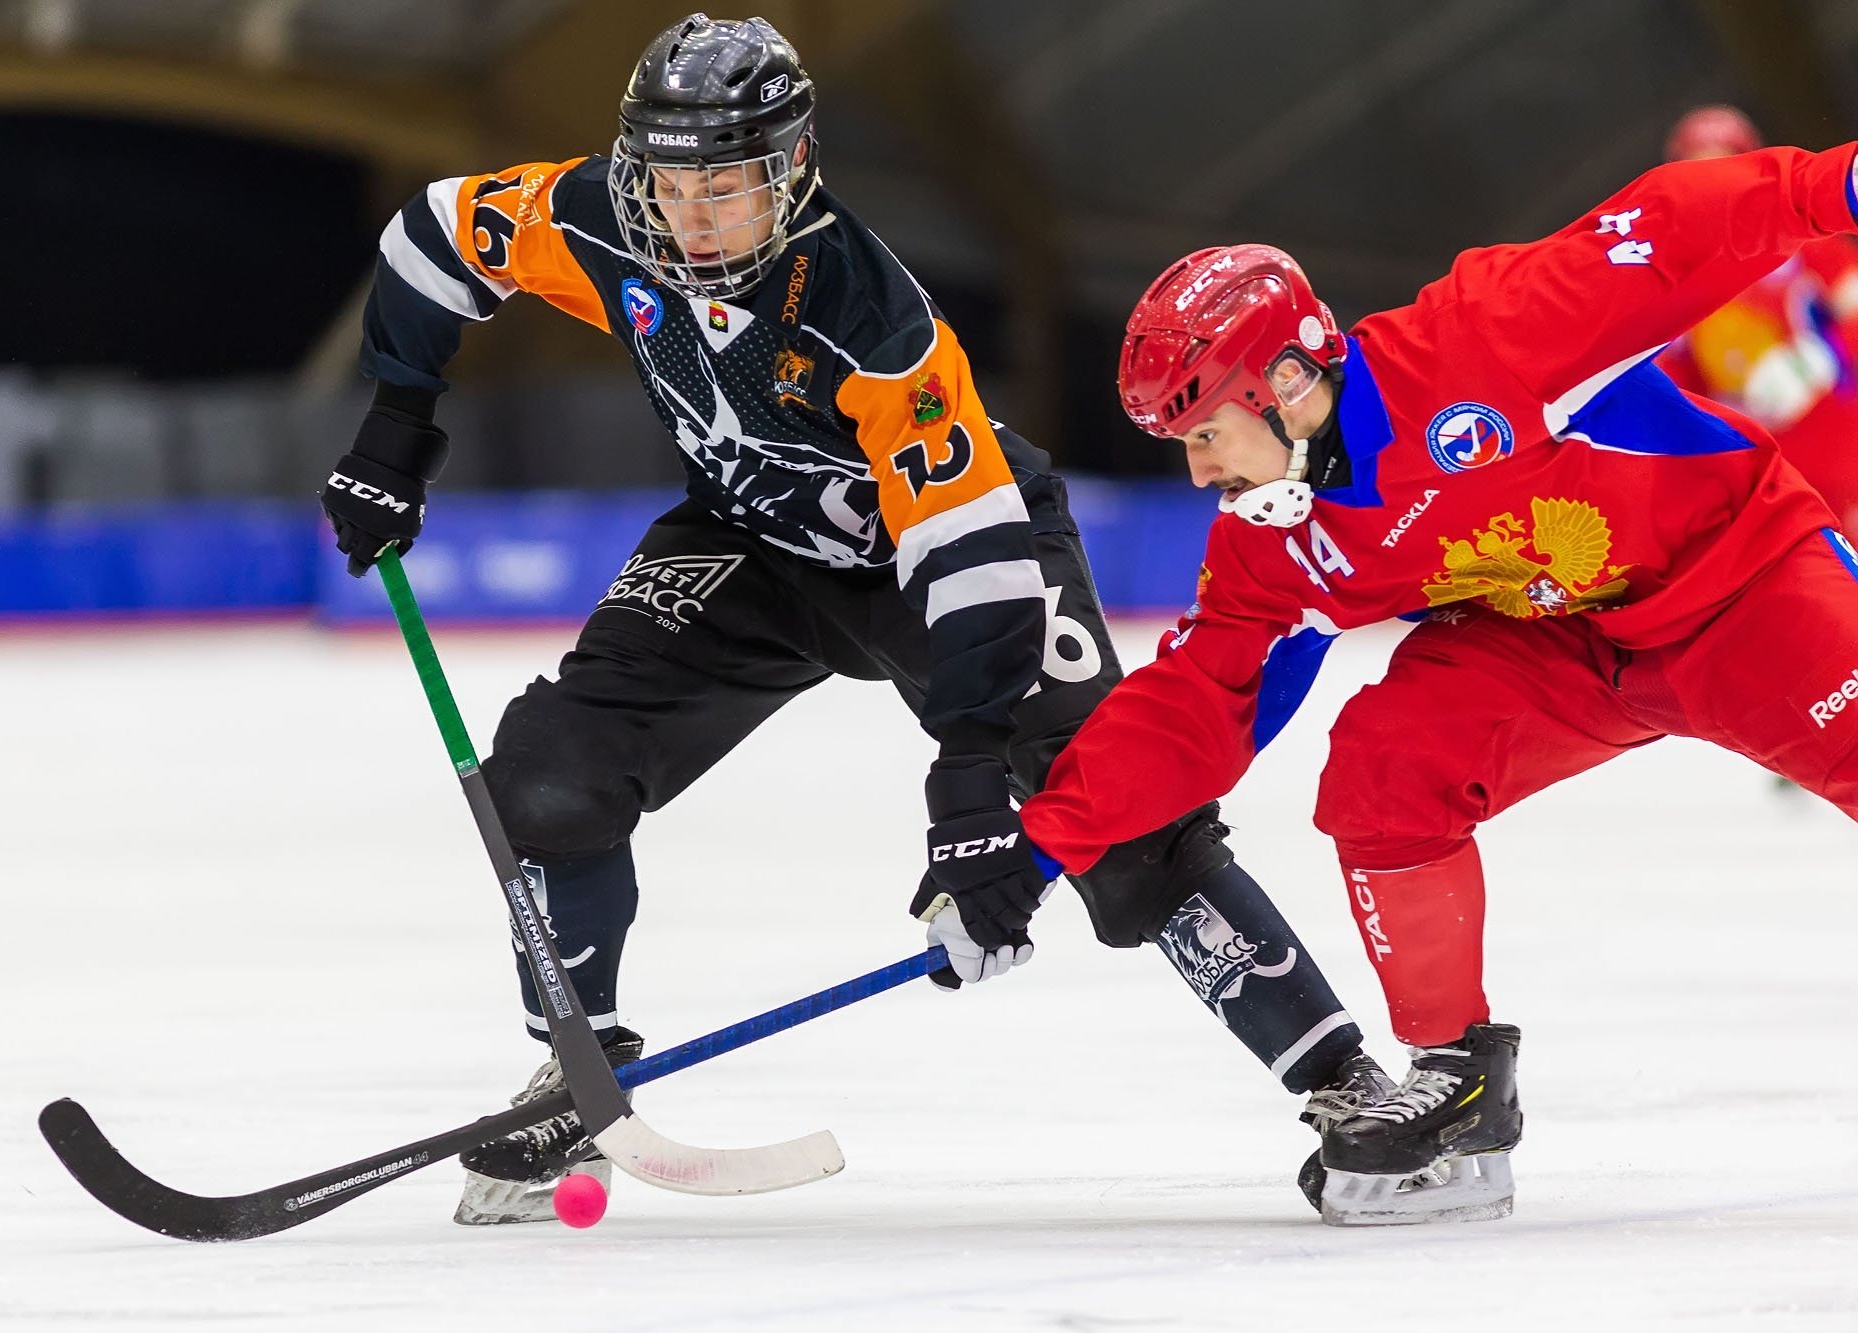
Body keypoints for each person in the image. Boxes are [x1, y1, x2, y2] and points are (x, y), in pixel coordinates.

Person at [318, 12, 1389, 1226]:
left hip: (940, 553)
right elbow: (433, 234)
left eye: (729, 187)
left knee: (1120, 819)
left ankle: (1347, 1086)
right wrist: (394, 425)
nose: (699, 217)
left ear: (791, 169)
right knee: (548, 784)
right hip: (748, 546)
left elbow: (967, 547)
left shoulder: (866, 311)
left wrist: (975, 789)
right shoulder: (592, 220)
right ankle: (580, 1070)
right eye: (675, 185)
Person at [985, 143, 1858, 1224]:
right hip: (1557, 645)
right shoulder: (1276, 542)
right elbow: (1199, 701)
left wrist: (1835, 187)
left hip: (1741, 585)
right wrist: (1038, 850)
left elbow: (1669, 225)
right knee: (1385, 769)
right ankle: (1460, 1082)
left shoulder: (1479, 341)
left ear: (1287, 384)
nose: (1199, 471)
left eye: (1205, 433)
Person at [1655, 106, 1858, 532]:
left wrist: (1816, 351)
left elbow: (1851, 293)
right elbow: (1669, 384)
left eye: (1725, 163)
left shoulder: (1791, 231)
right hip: (1772, 458)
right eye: (1697, 169)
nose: (1714, 182)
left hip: (1838, 424)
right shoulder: (1669, 272)